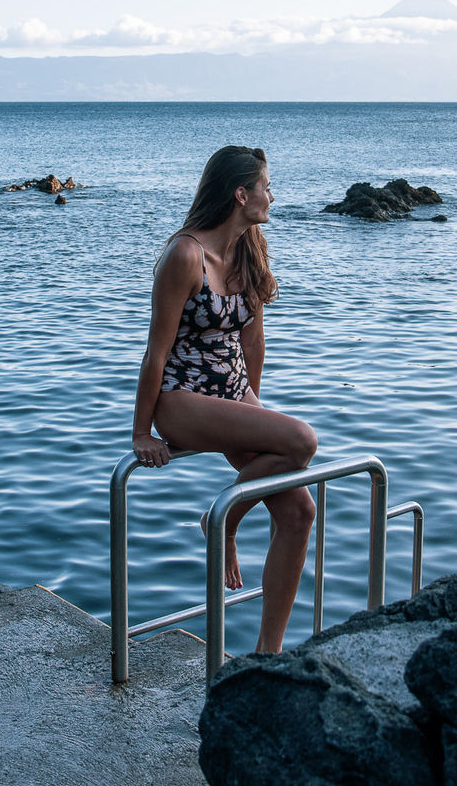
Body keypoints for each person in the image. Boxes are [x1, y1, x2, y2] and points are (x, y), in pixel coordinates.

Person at [130, 145, 318, 654]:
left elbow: (253, 345)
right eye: (265, 187)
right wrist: (142, 432)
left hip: (232, 393)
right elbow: (156, 350)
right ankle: (225, 517)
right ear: (241, 194)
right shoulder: (185, 254)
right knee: (302, 438)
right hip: (181, 398)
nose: (272, 198)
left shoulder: (249, 249)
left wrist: (250, 414)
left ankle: (267, 656)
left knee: (300, 510)